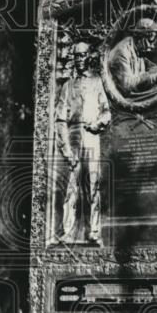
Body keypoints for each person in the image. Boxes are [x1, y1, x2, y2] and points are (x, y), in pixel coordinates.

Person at [55, 41, 111, 243]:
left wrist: (97, 123)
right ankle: (68, 231)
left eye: (83, 55)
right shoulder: (67, 86)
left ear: (89, 57)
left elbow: (107, 112)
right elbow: (60, 120)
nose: (79, 59)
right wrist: (66, 149)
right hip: (73, 140)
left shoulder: (97, 82)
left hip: (92, 139)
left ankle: (94, 231)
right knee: (71, 188)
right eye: (76, 56)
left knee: (93, 186)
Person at [106, 17, 157, 98]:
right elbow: (126, 87)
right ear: (141, 37)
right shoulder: (122, 52)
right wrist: (153, 76)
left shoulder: (137, 48)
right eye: (151, 40)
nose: (152, 46)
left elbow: (148, 64)